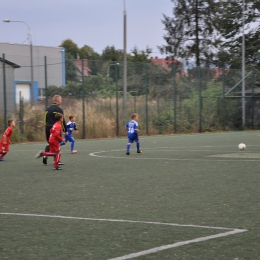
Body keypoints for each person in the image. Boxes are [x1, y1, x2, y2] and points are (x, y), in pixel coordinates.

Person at [43, 94, 67, 165]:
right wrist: (65, 130)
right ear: (58, 100)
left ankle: (45, 155)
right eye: (61, 100)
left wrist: (47, 126)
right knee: (57, 145)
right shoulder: (59, 109)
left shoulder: (47, 109)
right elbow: (62, 120)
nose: (61, 101)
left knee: (50, 143)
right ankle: (56, 161)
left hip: (47, 128)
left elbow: (44, 120)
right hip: (55, 129)